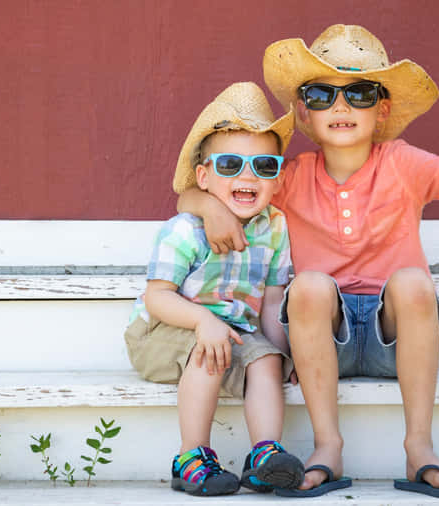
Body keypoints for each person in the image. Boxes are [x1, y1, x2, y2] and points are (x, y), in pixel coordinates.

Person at [177, 23, 439, 499]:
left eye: (360, 93)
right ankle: (328, 446)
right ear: (304, 114)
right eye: (322, 94)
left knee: (412, 281)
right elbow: (190, 192)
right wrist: (209, 207)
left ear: (382, 109)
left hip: (396, 337)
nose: (341, 106)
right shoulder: (287, 177)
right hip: (320, 338)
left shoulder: (402, 163)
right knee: (307, 284)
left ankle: (418, 447)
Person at [124, 82, 305, 497]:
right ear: (203, 177)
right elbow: (157, 296)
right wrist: (203, 321)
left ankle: (264, 455)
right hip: (164, 330)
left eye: (264, 165)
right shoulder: (185, 230)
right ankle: (191, 456)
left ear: (277, 177)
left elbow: (274, 300)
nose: (247, 176)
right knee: (206, 348)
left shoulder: (274, 227)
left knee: (266, 360)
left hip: (232, 330)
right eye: (230, 165)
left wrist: (285, 351)